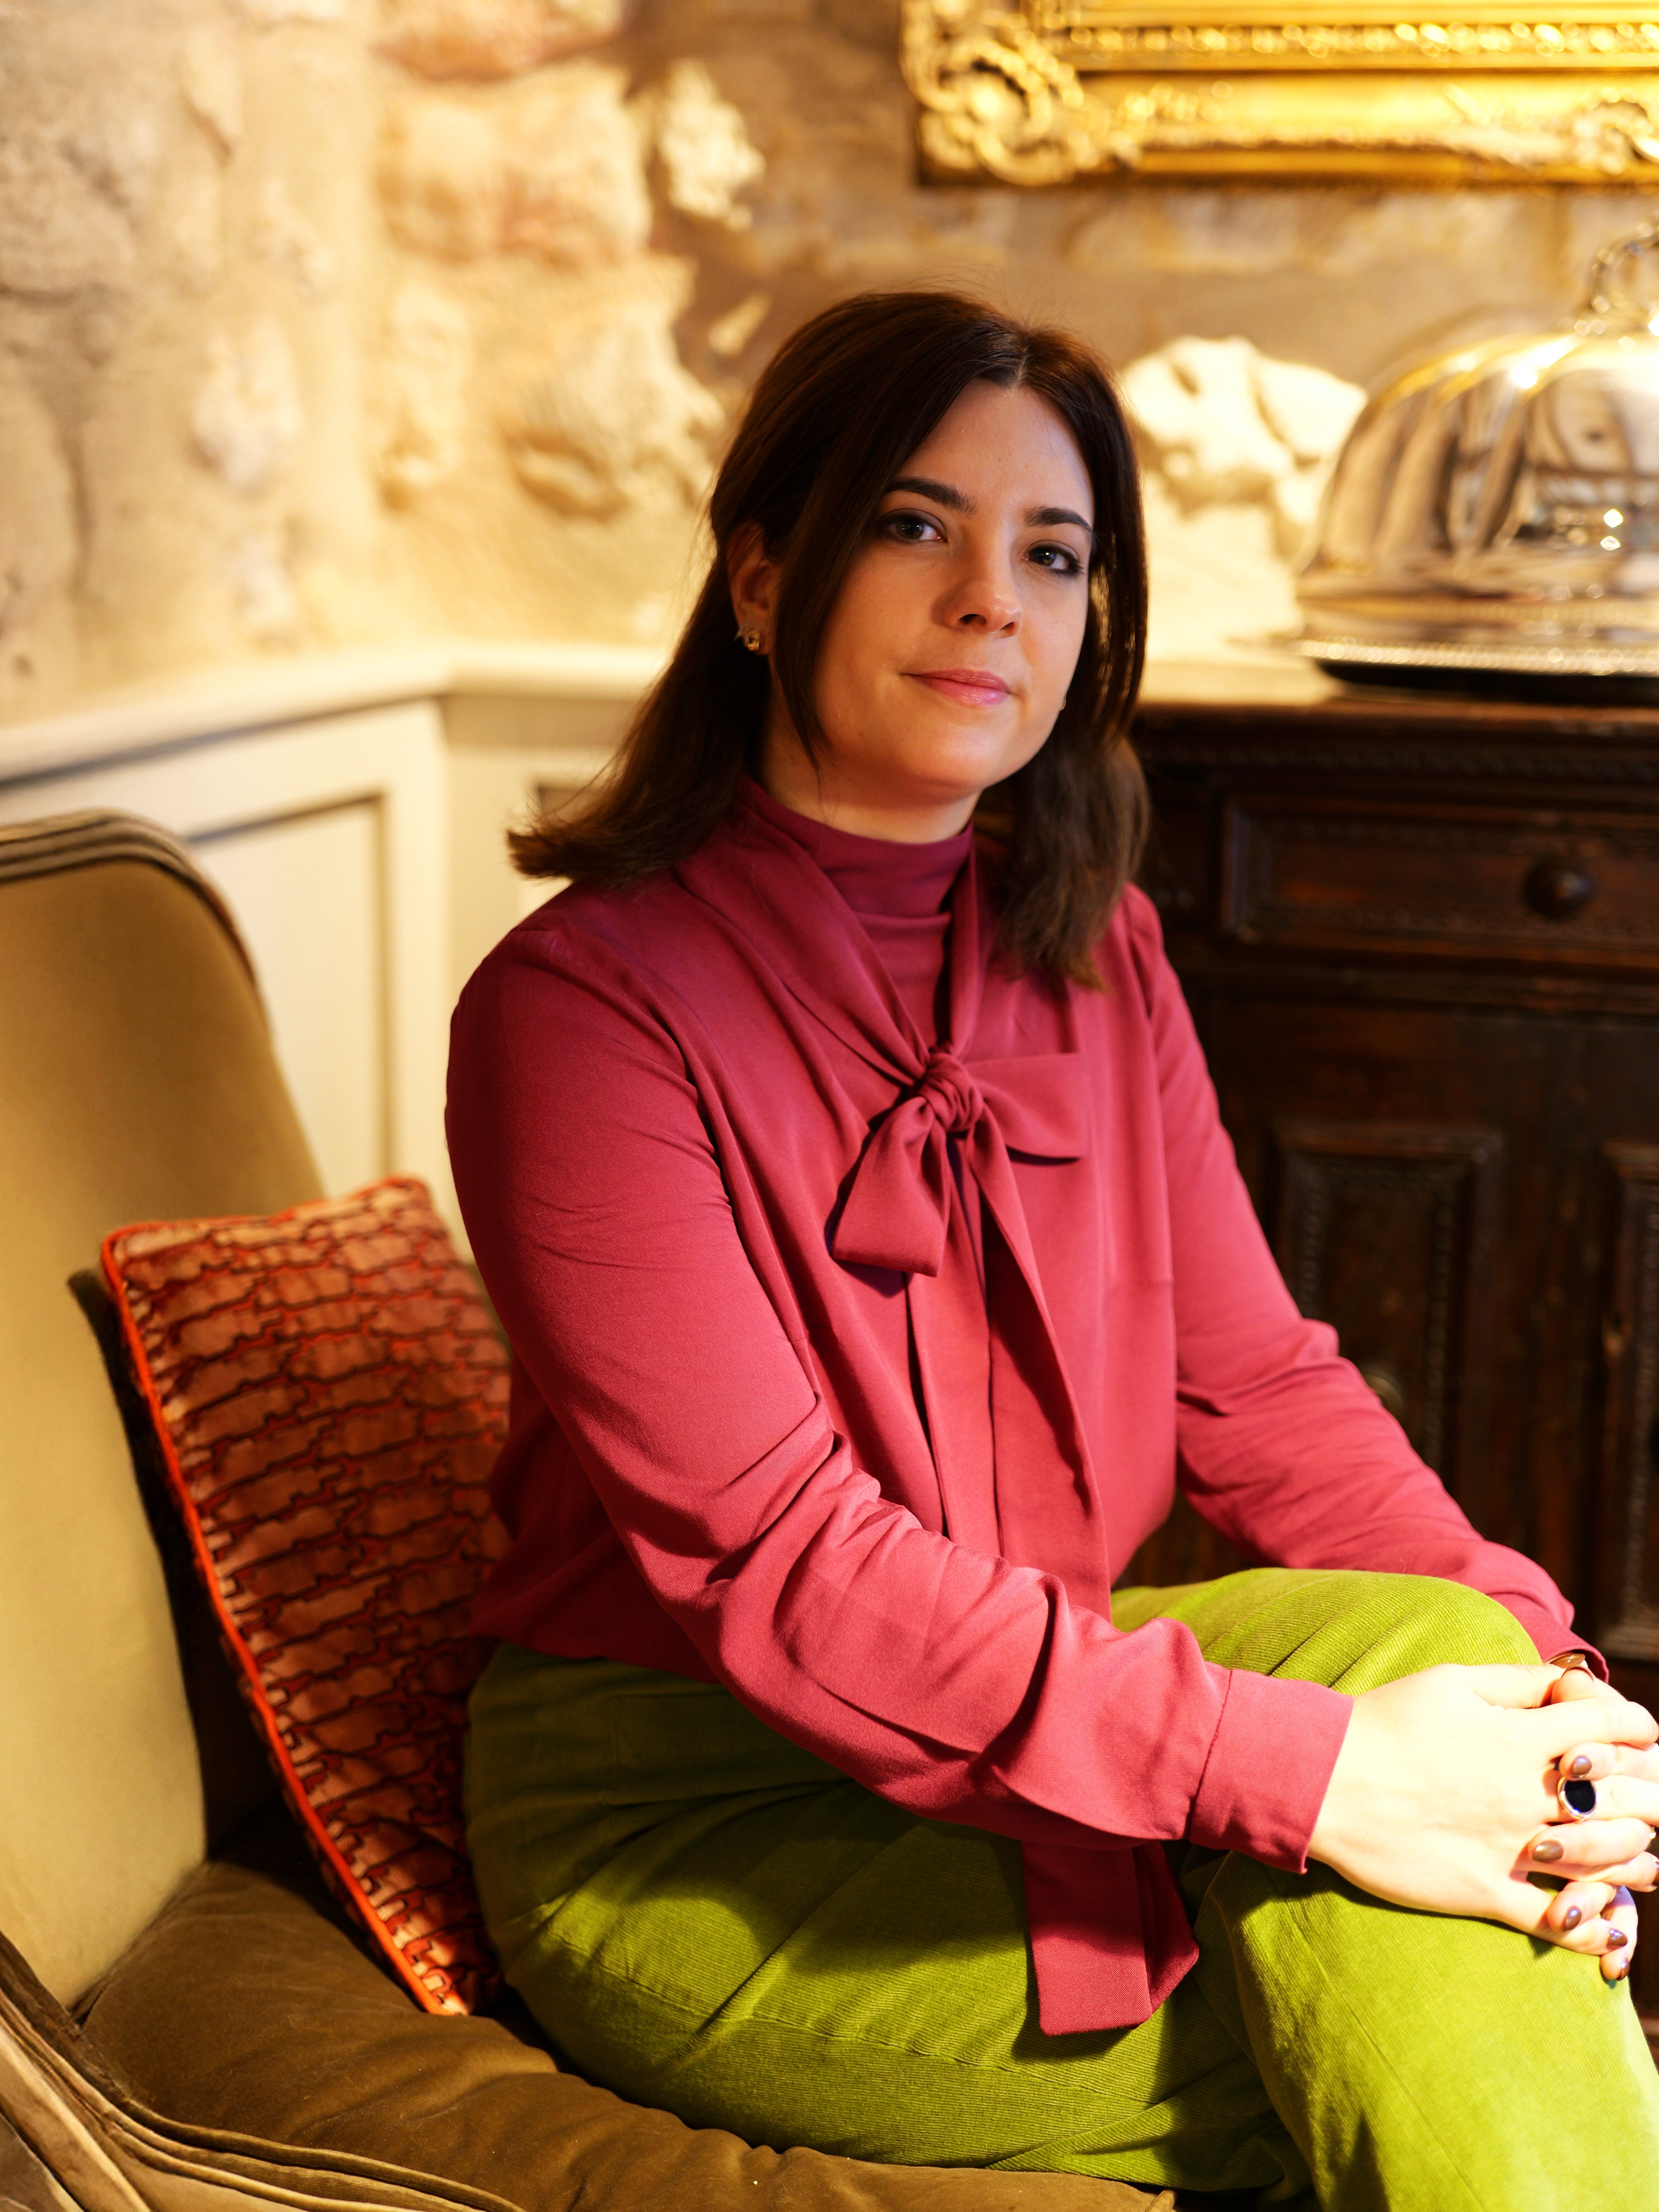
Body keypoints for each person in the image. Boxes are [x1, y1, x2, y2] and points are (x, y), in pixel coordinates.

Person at [446, 291, 1659, 2211]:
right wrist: (1324, 1778)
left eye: (1053, 552)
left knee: (1445, 1688)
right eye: (913, 524)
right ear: (760, 578)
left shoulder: (1097, 950)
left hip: (1050, 1712)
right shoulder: (578, 1011)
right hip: (704, 1815)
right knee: (1459, 1989)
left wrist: (1552, 1708)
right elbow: (789, 1567)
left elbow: (1257, 1387)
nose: (988, 601)